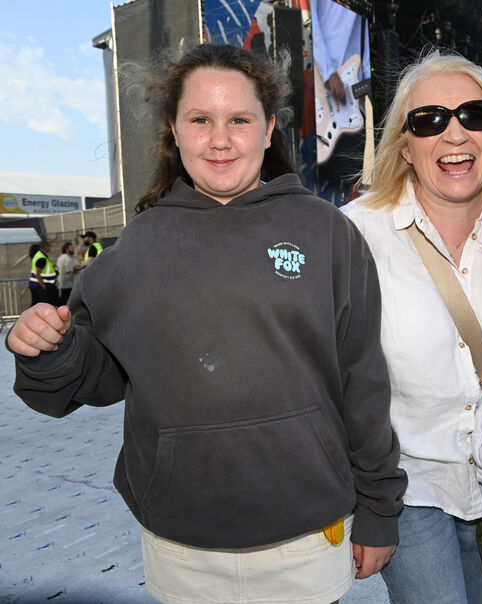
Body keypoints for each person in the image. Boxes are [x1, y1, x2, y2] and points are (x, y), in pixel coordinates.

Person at [7, 43, 406, 604]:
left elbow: (363, 382)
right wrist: (48, 347)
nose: (220, 139)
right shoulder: (137, 248)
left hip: (307, 536)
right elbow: (89, 381)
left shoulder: (327, 233)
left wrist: (379, 509)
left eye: (239, 119)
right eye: (201, 120)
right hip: (181, 546)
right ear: (175, 128)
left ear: (268, 130)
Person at [342, 51, 482, 603]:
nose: (453, 133)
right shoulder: (355, 233)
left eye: (474, 115)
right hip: (404, 485)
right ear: (404, 147)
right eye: (428, 120)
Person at [310, 0, 371, 206]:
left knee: (351, 176)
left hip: (351, 106)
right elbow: (311, 25)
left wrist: (365, 85)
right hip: (321, 86)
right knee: (321, 178)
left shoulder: (364, 8)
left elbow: (364, 50)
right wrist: (329, 74)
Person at [27, 241, 59, 307]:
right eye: (49, 246)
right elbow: (37, 274)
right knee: (43, 305)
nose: (51, 248)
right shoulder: (42, 258)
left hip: (37, 285)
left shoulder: (40, 256)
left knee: (36, 304)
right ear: (45, 247)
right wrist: (44, 287)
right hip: (41, 285)